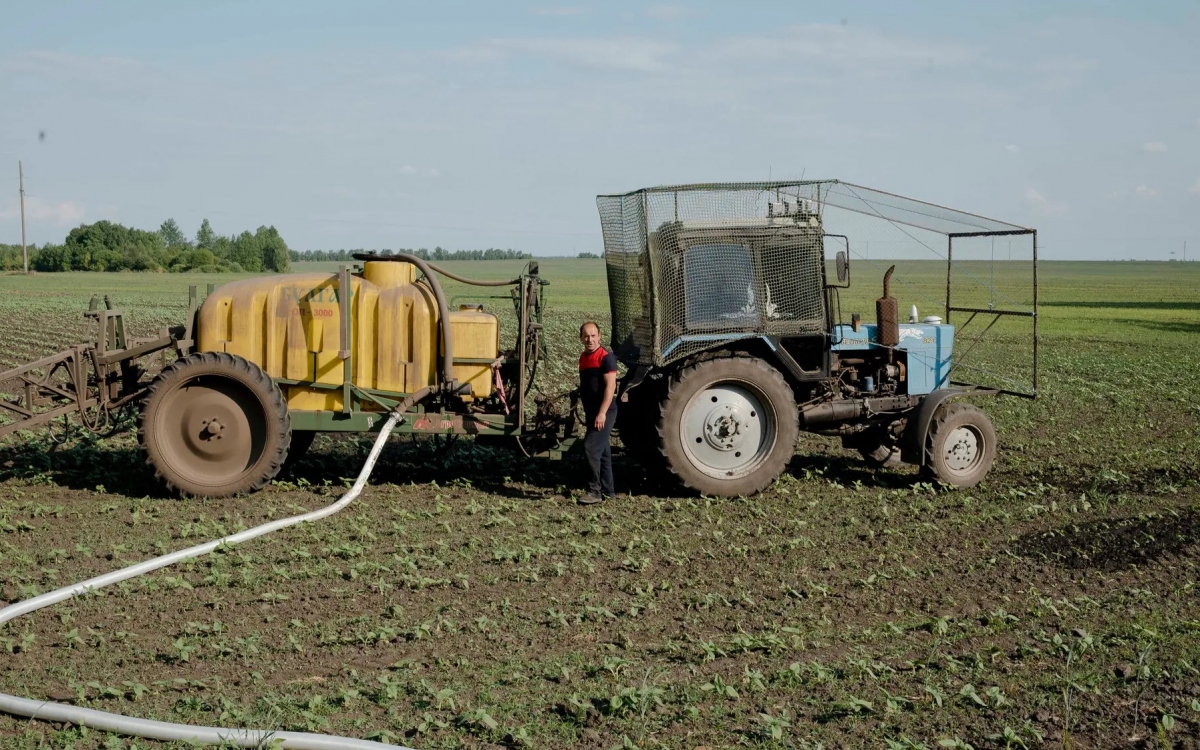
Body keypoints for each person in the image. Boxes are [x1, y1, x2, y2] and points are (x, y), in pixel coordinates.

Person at [577, 321, 617, 504]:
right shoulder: (584, 358)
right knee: (603, 452)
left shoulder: (606, 357)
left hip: (605, 411)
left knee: (591, 447)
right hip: (592, 411)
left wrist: (602, 413)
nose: (590, 339)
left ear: (599, 336)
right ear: (581, 338)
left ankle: (594, 491)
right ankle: (609, 492)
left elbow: (610, 387)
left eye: (593, 335)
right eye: (586, 336)